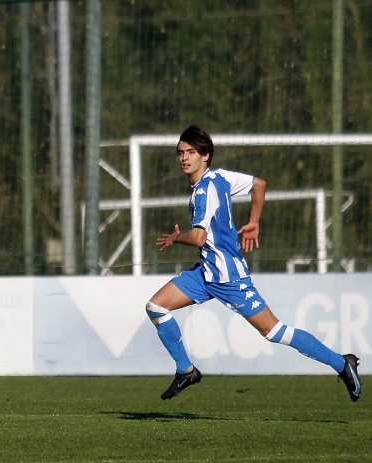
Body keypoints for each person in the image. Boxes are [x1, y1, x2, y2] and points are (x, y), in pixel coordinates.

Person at [147, 125, 361, 402]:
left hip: (229, 278)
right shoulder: (220, 177)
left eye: (191, 152)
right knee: (156, 306)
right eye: (180, 153)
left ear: (206, 155)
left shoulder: (203, 192)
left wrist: (178, 238)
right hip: (205, 273)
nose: (184, 158)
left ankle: (342, 364)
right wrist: (254, 221)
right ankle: (186, 371)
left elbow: (199, 237)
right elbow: (259, 185)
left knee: (275, 332)